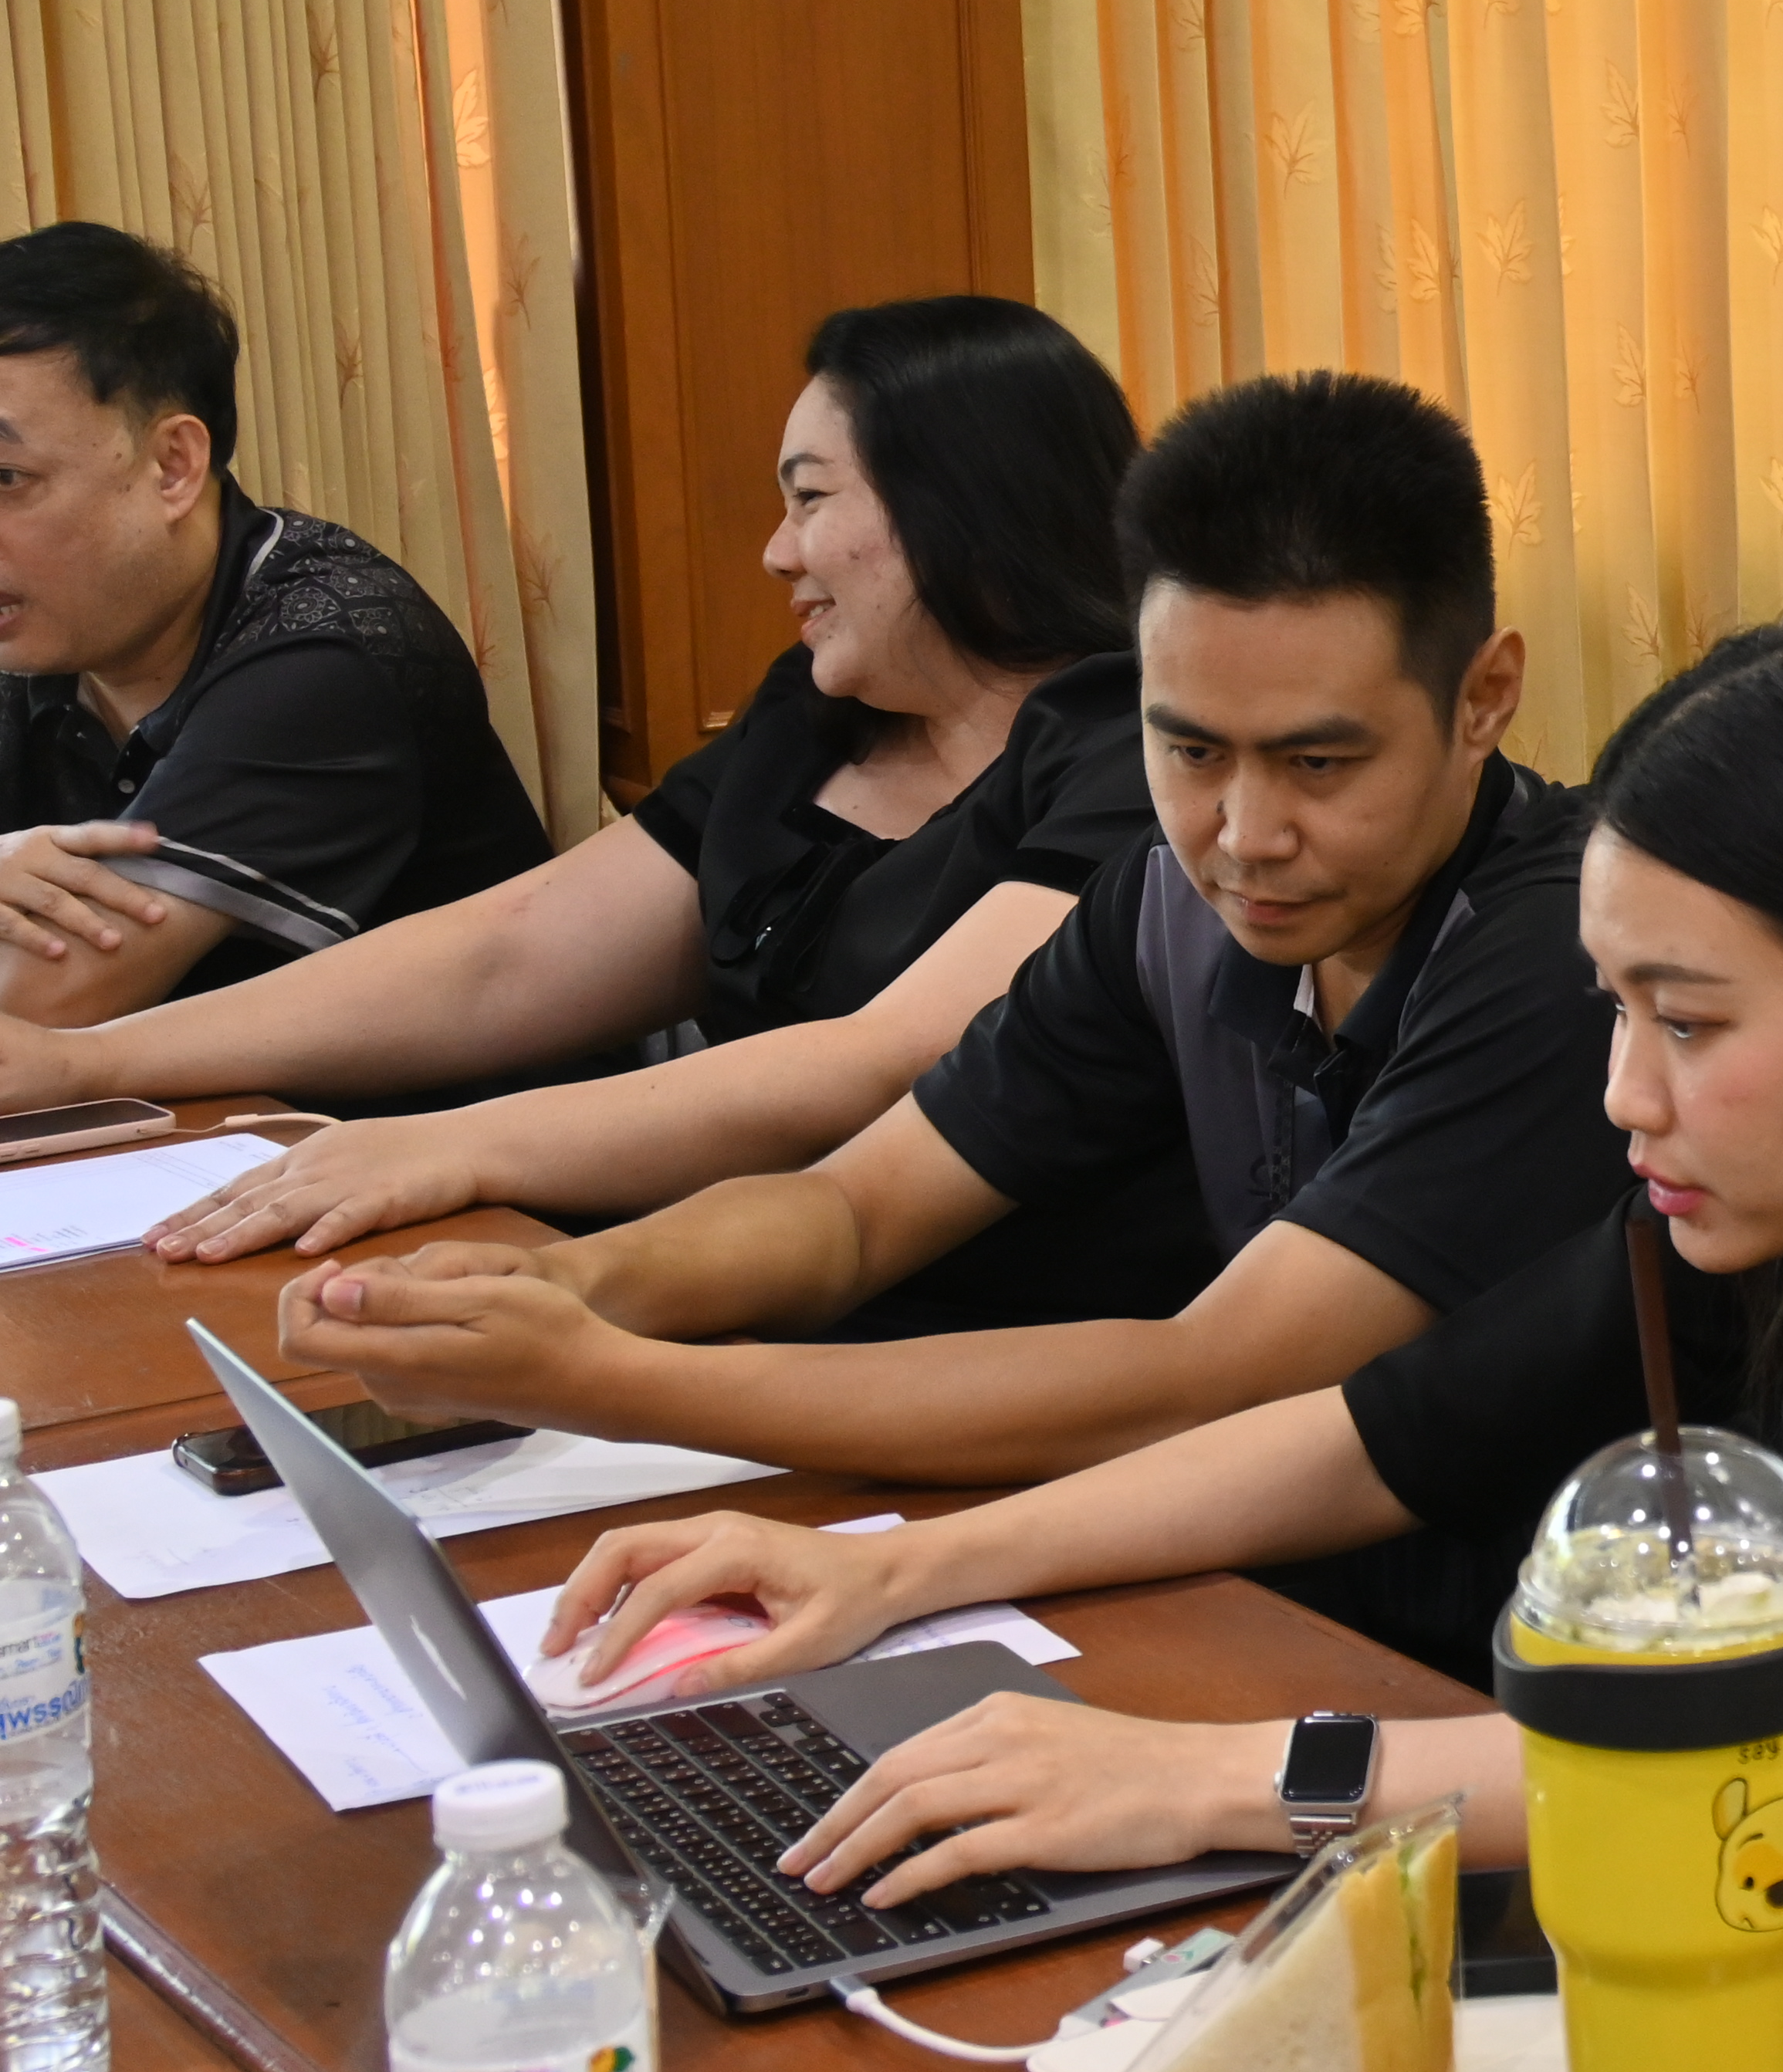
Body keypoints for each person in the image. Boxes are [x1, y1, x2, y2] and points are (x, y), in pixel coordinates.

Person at [529, 601, 1783, 2013]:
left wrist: (1216, 1775)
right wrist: (906, 1566)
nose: (1627, 1094)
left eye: (1688, 1022)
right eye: (1614, 1008)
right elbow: (1382, 1431)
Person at [269, 375, 1637, 1544]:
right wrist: (570, 1286)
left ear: (1484, 697)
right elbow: (852, 1213)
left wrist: (603, 1378)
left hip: (1502, 1641)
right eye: (1188, 749)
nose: (1243, 834)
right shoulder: (1162, 902)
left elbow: (1210, 1377)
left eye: (1319, 763)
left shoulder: (1570, 954)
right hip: (1225, 1557)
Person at [50, 299, 1155, 1332]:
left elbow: (883, 1060)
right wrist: (89, 1064)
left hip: (994, 1339)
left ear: (966, 507)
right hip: (706, 1286)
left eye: (811, 499)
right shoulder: (816, 715)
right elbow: (511, 953)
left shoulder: (1138, 752)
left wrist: (454, 1147)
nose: (776, 551)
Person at [0, 222, 546, 1024]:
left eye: (7, 477)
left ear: (173, 466)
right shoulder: (40, 631)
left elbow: (42, 1000)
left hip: (450, 1105)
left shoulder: (328, 654)